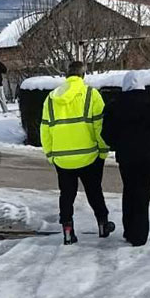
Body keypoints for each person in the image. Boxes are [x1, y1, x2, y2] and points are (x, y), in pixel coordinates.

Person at [40, 61, 115, 245]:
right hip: (89, 155)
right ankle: (103, 224)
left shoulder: (51, 98)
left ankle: (67, 230)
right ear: (83, 75)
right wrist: (103, 150)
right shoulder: (91, 94)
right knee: (94, 191)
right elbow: (99, 126)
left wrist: (50, 154)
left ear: (67, 75)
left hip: (62, 158)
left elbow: (45, 129)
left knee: (66, 194)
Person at [101, 72, 150, 247]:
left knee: (129, 190)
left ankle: (129, 230)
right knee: (143, 193)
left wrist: (118, 144)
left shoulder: (115, 105)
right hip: (146, 155)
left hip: (125, 156)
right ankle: (139, 234)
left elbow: (106, 134)